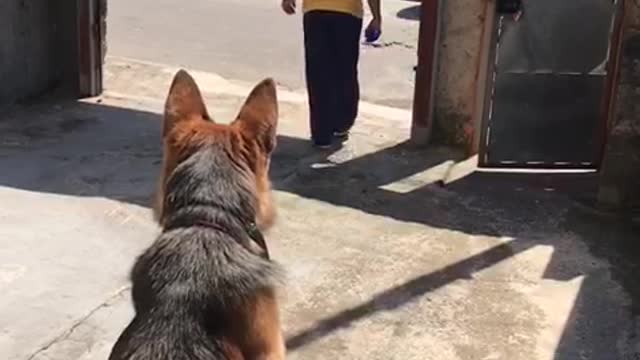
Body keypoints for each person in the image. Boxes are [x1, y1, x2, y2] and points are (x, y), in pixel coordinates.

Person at [281, 0, 381, 148]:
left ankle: (321, 133)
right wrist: (377, 17)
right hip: (348, 13)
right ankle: (343, 122)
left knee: (317, 72)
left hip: (315, 10)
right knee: (345, 70)